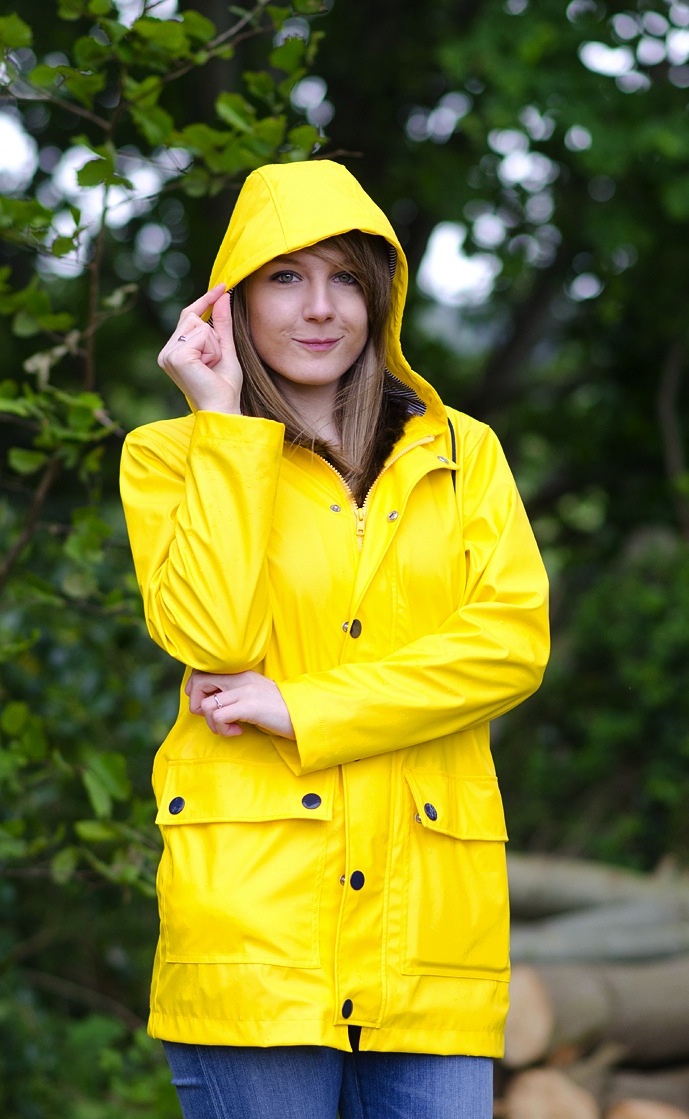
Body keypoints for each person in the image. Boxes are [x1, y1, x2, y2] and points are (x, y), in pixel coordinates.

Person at [119, 159, 549, 1119]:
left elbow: (509, 643)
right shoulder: (169, 456)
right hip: (253, 929)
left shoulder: (461, 452)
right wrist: (223, 429)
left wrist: (301, 704)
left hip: (429, 933)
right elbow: (209, 632)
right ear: (229, 301)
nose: (320, 309)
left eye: (346, 278)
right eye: (285, 277)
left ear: (380, 298)